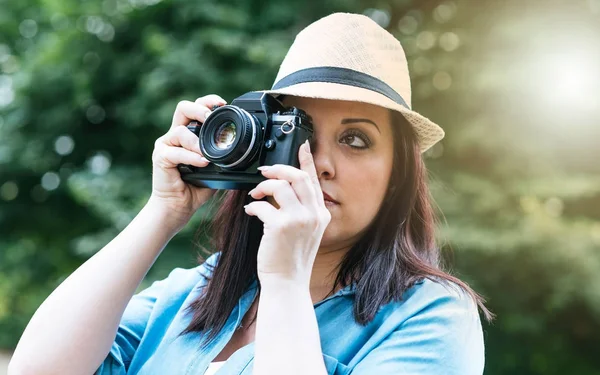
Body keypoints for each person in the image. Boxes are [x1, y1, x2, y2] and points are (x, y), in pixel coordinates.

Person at [9, 12, 492, 375]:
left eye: (355, 139)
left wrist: (285, 280)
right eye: (296, 133)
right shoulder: (197, 291)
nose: (318, 162)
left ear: (399, 173)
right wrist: (162, 212)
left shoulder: (432, 315)